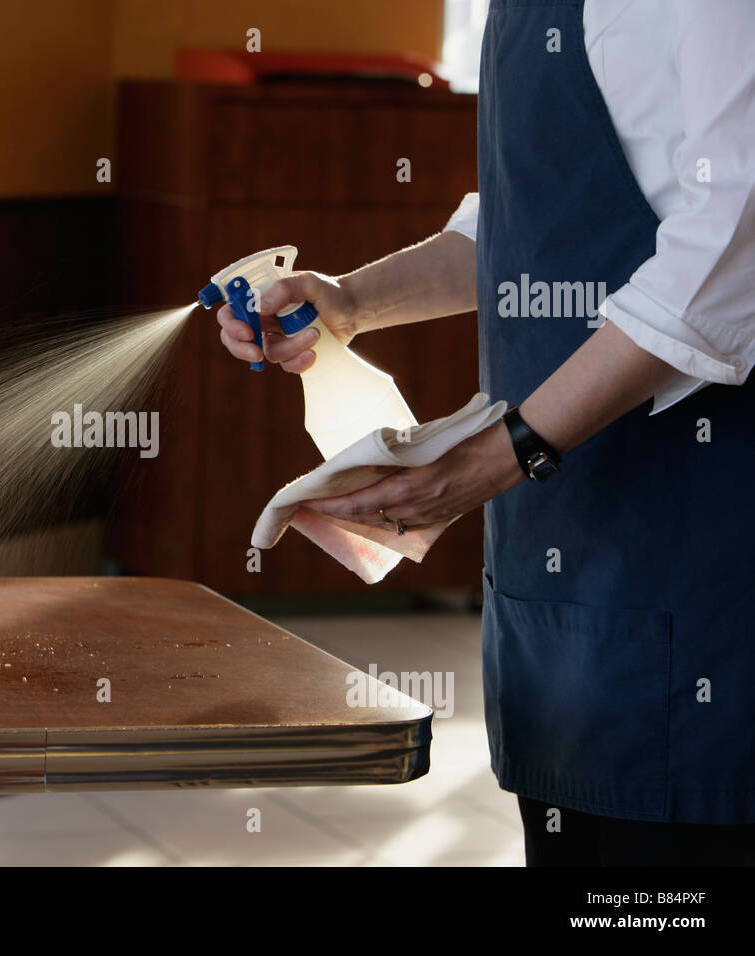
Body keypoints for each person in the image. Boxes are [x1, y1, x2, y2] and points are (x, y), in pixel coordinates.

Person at [218, 0, 755, 866]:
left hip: (701, 548)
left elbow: (735, 243)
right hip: (564, 561)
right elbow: (523, 220)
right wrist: (349, 303)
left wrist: (511, 449)